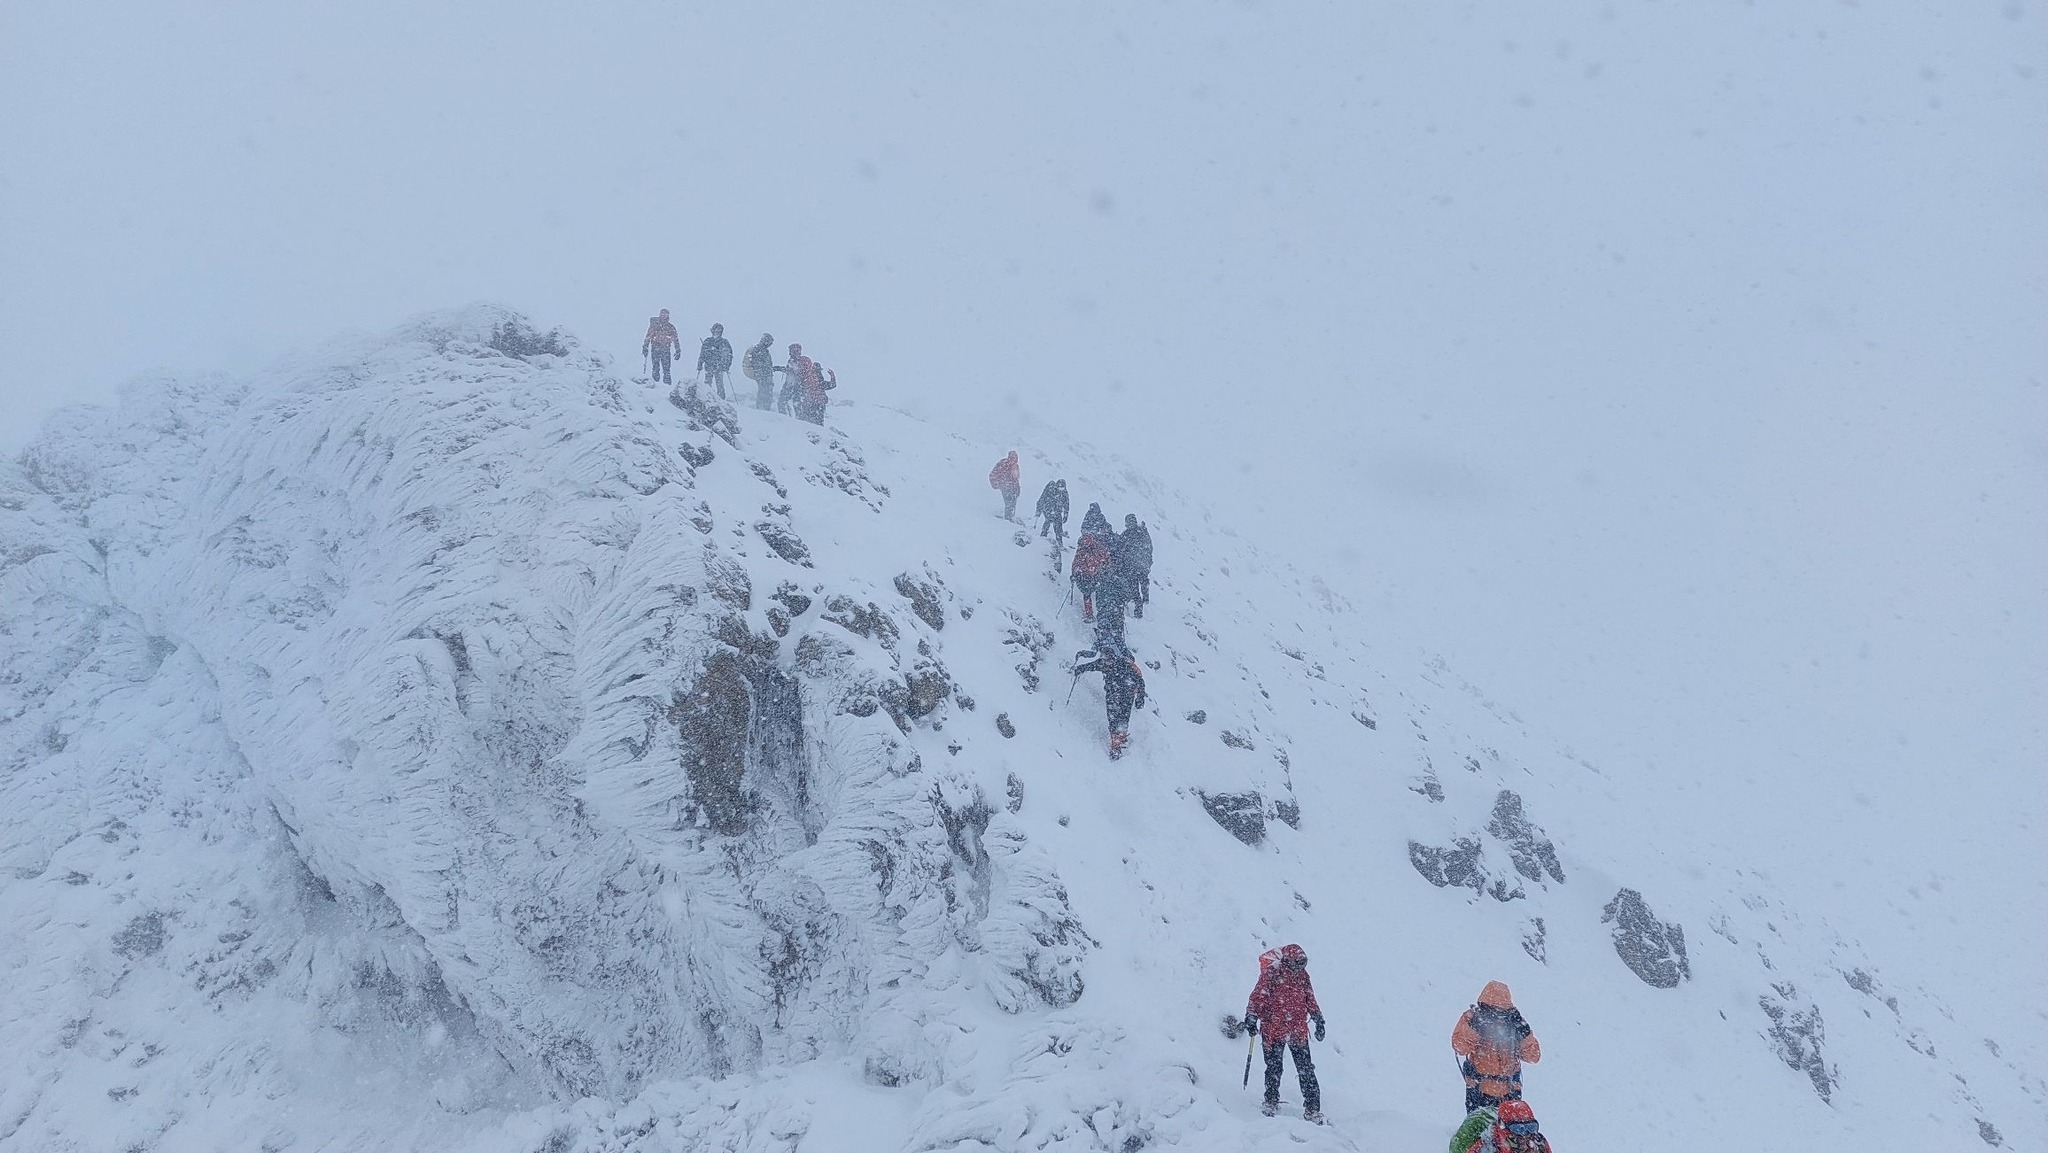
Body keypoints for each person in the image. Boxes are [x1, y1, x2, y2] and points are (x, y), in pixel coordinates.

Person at [1242, 944, 1326, 1123]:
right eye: (1297, 964)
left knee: (1306, 1070)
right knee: (1274, 1068)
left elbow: (1310, 998)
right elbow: (1258, 996)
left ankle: (1312, 1108)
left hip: (1297, 1030)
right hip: (1273, 1029)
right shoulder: (1272, 973)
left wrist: (1318, 1018)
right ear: (1287, 961)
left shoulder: (1303, 976)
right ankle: (1270, 1101)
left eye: (1303, 964)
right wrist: (1251, 1016)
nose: (1299, 969)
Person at [1452, 982, 1542, 1114]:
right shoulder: (1473, 1018)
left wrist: (1525, 1034)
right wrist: (1476, 1027)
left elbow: (1533, 1056)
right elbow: (1459, 1046)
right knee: (1479, 1131)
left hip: (1510, 1092)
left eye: (1503, 1013)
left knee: (1510, 1132)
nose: (1498, 1018)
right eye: (1493, 1012)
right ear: (1484, 1007)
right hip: (1479, 1090)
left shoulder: (1515, 1024)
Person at [1071, 634, 1145, 759]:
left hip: (1127, 693)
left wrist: (1140, 697)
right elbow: (1091, 666)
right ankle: (1116, 740)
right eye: (1105, 660)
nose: (1107, 663)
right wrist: (1079, 669)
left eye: (1108, 660)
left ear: (1113, 657)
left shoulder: (1124, 664)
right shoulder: (1103, 663)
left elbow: (1140, 680)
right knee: (1112, 717)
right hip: (1113, 693)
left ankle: (1118, 740)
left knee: (1123, 716)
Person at [1452, 1099, 1553, 1153]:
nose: (1525, 1134)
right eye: (1518, 1129)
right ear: (1503, 1127)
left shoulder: (1540, 1144)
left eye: (1531, 1127)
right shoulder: (1485, 1149)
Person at [1070, 504, 1114, 622]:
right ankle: (1101, 615)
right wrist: (1107, 566)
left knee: (1087, 593)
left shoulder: (1082, 548)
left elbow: (1076, 561)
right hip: (1095, 573)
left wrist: (1074, 572)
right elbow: (1105, 556)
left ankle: (1090, 614)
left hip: (1086, 573)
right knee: (1096, 593)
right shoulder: (1097, 546)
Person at [1116, 514, 1153, 619]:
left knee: (1134, 587)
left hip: (1131, 566)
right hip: (1142, 565)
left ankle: (1139, 607)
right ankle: (1145, 599)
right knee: (1143, 582)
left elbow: (1120, 548)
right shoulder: (1143, 532)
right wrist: (1149, 561)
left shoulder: (1126, 534)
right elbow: (1149, 547)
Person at [642, 308, 680, 386]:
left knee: (666, 369)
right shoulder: (654, 326)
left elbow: (675, 339)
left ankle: (667, 386)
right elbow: (648, 336)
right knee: (656, 368)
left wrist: (678, 350)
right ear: (660, 315)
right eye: (662, 314)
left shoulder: (670, 327)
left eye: (665, 315)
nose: (664, 316)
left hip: (666, 349)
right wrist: (645, 347)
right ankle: (655, 385)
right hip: (655, 348)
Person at [697, 323, 734, 399]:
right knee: (707, 383)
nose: (717, 332)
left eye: (719, 330)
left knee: (719, 384)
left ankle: (721, 400)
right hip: (709, 365)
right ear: (712, 331)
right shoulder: (707, 341)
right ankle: (706, 398)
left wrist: (727, 366)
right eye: (716, 330)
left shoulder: (724, 342)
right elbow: (702, 354)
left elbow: (729, 355)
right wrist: (699, 364)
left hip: (719, 366)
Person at [741, 334, 777, 410]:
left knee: (764, 391)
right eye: (770, 342)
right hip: (762, 375)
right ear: (766, 341)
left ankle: (763, 408)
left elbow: (764, 365)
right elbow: (760, 364)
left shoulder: (761, 350)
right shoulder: (758, 350)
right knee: (764, 391)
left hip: (762, 374)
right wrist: (765, 371)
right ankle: (763, 409)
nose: (770, 344)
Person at [796, 360, 836, 425]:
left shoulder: (808, 380)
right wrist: (832, 376)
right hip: (817, 404)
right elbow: (832, 385)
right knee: (817, 423)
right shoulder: (819, 382)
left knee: (808, 422)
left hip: (810, 404)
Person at [778, 343, 809, 415]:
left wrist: (783, 369)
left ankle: (785, 419)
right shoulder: (793, 360)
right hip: (794, 385)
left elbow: (796, 372)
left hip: (794, 385)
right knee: (794, 404)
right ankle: (794, 420)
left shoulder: (797, 361)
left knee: (783, 402)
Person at [989, 452, 1022, 520]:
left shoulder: (1016, 467)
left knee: (1013, 503)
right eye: (1012, 458)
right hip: (1005, 487)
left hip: (1013, 488)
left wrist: (1018, 489)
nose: (1014, 460)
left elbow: (1016, 479)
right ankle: (1008, 519)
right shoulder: (1003, 464)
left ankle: (1011, 517)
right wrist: (997, 484)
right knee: (1009, 503)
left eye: (1015, 458)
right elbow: (993, 474)